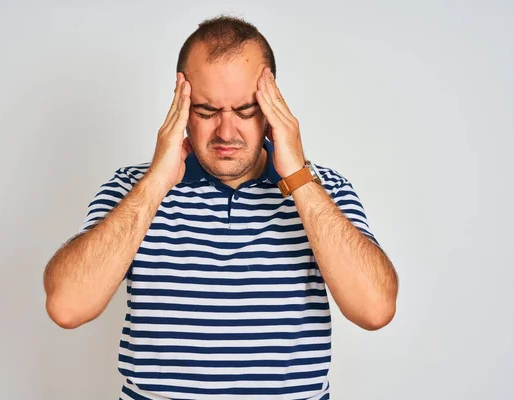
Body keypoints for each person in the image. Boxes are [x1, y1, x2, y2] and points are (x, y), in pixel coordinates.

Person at [43, 14, 398, 400]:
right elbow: (67, 307)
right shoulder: (132, 189)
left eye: (245, 111)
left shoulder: (323, 190)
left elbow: (375, 310)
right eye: (206, 111)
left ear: (272, 105)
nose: (226, 133)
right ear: (181, 105)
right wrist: (156, 183)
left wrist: (297, 176)